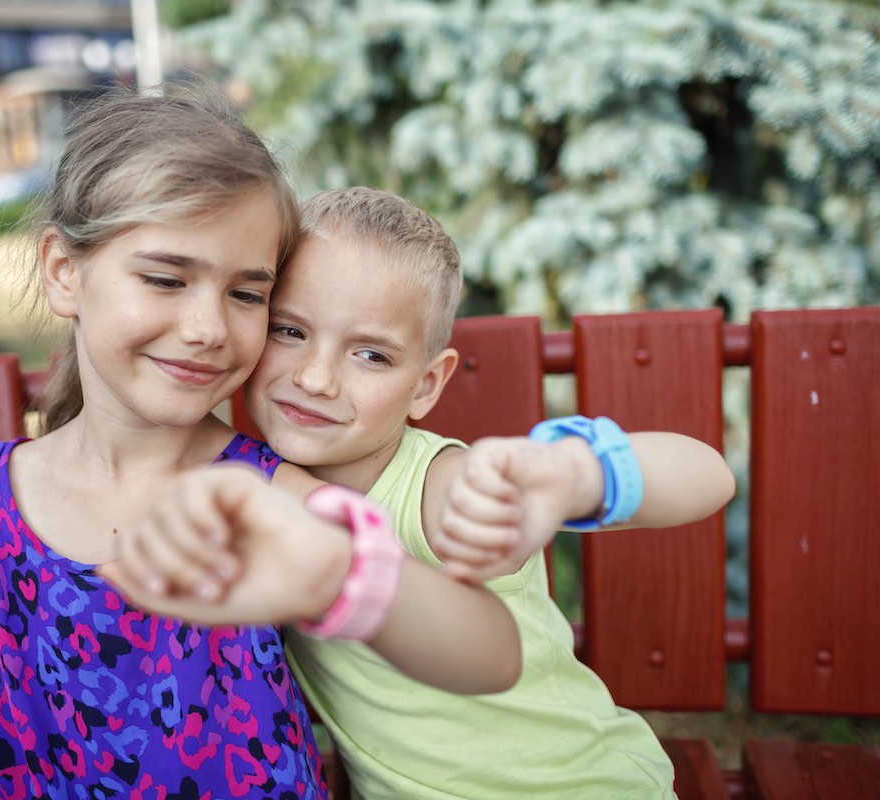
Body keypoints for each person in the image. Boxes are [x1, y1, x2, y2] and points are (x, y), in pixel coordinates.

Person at [0, 88, 523, 800]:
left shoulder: (269, 501)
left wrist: (345, 577)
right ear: (65, 271)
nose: (207, 327)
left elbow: (490, 653)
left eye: (248, 294)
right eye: (166, 279)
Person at [112, 187, 736, 799]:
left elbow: (708, 475)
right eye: (290, 332)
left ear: (426, 385)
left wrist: (575, 474)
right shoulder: (256, 481)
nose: (316, 378)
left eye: (372, 356)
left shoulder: (436, 488)